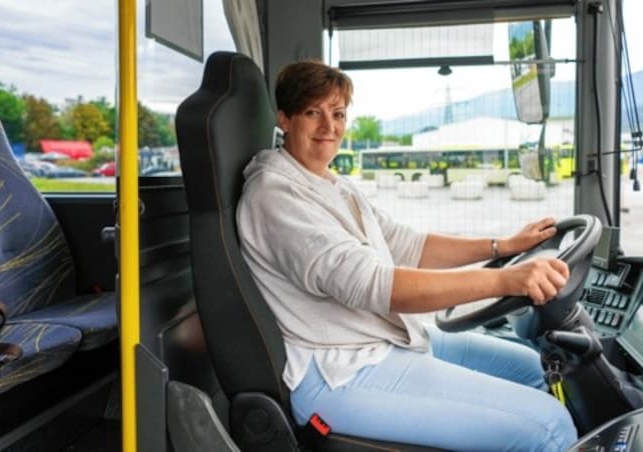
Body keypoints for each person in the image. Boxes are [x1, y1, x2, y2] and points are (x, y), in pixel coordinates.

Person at [236, 60, 577, 451]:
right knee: (550, 428)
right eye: (313, 112)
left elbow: (406, 244)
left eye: (338, 113)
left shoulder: (332, 184)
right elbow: (373, 285)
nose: (329, 126)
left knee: (537, 370)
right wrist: (504, 279)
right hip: (340, 371)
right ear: (284, 118)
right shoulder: (275, 195)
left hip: (383, 339)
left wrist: (502, 246)